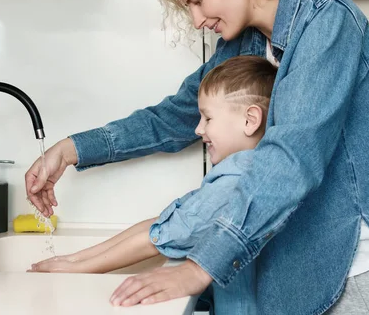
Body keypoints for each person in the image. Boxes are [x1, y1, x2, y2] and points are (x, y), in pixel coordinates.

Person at [25, 0, 369, 314]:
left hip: (358, 262)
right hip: (298, 265)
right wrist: (73, 148)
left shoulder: (327, 19)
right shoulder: (243, 44)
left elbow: (292, 156)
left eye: (198, 0)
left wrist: (200, 267)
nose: (198, 20)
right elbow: (174, 117)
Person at [29, 55, 277, 314]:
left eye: (207, 118)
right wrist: (73, 259)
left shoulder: (236, 183)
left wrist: (77, 269)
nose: (198, 130)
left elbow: (159, 236)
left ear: (250, 120)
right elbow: (163, 223)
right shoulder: (238, 173)